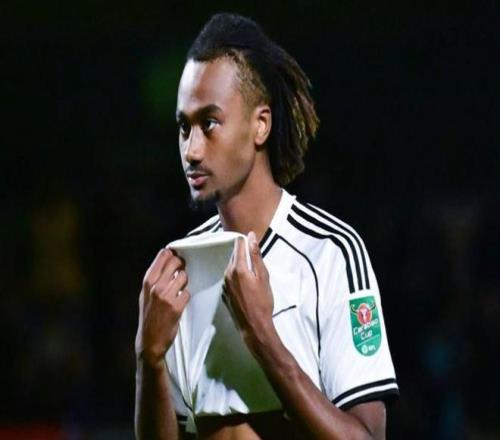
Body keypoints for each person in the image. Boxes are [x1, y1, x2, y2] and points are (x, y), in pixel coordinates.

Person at [135, 13, 399, 439]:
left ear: (260, 124)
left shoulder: (330, 253)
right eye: (184, 127)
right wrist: (148, 358)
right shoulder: (180, 267)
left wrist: (262, 334)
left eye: (209, 123)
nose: (192, 150)